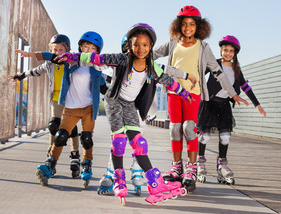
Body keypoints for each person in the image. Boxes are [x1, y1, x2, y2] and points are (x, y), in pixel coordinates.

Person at [58, 23, 192, 205]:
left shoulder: (152, 66)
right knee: (119, 142)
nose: (141, 49)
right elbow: (97, 58)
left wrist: (184, 93)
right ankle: (119, 180)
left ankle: (155, 183)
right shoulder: (121, 59)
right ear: (130, 45)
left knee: (139, 143)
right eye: (136, 44)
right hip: (113, 102)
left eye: (145, 45)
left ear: (151, 46)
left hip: (129, 105)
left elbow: (168, 81)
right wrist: (73, 56)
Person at [153, 5, 248, 192]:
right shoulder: (172, 43)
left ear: (199, 27)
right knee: (174, 129)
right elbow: (150, 54)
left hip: (193, 93)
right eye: (184, 24)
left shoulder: (203, 47)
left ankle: (191, 169)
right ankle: (176, 167)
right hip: (173, 91)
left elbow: (219, 73)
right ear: (178, 25)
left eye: (192, 24)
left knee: (189, 128)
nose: (188, 27)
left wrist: (233, 94)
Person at [16, 31, 108, 188]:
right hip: (71, 107)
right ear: (80, 47)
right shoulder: (70, 60)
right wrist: (30, 54)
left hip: (88, 108)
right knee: (60, 135)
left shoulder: (96, 68)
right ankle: (50, 163)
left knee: (87, 138)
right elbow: (51, 57)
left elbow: (105, 85)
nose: (87, 50)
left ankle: (87, 164)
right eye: (85, 47)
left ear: (97, 52)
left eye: (92, 48)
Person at [196, 35, 266, 185]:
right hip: (209, 103)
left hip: (224, 106)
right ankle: (200, 163)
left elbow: (245, 87)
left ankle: (222, 164)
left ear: (235, 53)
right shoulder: (213, 64)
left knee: (225, 137)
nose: (228, 53)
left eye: (231, 51)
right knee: (204, 136)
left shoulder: (236, 69)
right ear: (220, 51)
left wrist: (257, 104)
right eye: (225, 50)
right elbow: (198, 74)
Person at [9, 34, 81, 178]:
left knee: (71, 128)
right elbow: (36, 71)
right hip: (55, 99)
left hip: (70, 99)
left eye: (61, 50)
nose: (57, 53)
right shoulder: (49, 64)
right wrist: (21, 76)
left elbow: (87, 73)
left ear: (67, 50)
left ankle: (75, 156)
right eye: (55, 50)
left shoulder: (71, 62)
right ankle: (51, 157)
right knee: (53, 126)